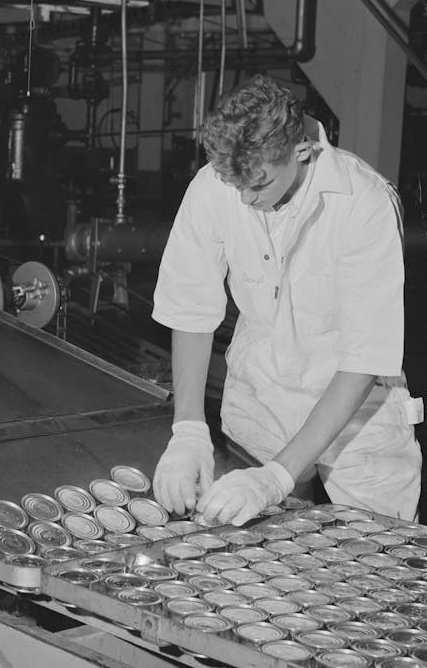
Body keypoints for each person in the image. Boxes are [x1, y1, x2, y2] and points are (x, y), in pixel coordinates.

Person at [152, 73, 423, 525]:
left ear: (301, 152)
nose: (245, 198)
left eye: (257, 185)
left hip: (357, 414)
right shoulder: (215, 186)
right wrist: (189, 428)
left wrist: (275, 478)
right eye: (235, 185)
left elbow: (363, 359)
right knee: (243, 559)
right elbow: (191, 309)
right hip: (260, 396)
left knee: (369, 566)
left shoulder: (364, 203)